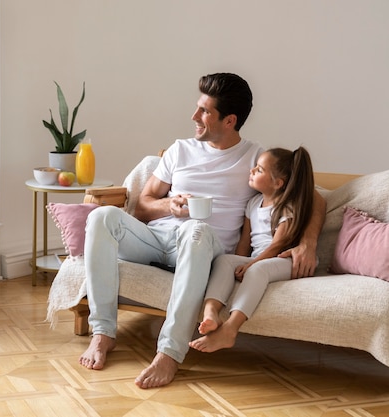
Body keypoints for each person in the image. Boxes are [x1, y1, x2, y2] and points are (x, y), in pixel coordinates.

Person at [78, 73, 326, 389]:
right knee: (102, 218)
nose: (194, 116)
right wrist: (171, 206)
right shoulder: (180, 150)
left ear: (229, 120)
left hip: (202, 246)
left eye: (204, 111)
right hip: (156, 240)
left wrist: (309, 241)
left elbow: (313, 196)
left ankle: (169, 352)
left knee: (196, 229)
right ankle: (103, 334)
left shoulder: (254, 157)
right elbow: (142, 206)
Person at [189, 147, 316, 353]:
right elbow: (244, 242)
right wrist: (239, 262)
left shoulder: (287, 207)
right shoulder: (253, 203)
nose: (252, 171)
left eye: (259, 170)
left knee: (258, 270)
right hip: (258, 258)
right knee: (224, 260)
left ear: (277, 183)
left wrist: (251, 265)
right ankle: (211, 311)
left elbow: (278, 245)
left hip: (284, 260)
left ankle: (230, 328)